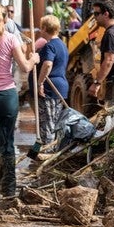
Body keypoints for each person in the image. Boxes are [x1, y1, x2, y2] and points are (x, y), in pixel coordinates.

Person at [0, 4, 40, 197]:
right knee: (7, 142)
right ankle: (8, 188)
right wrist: (34, 58)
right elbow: (25, 67)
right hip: (7, 96)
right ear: (6, 19)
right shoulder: (11, 39)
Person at [34, 15, 69, 145]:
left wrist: (40, 83)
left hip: (50, 87)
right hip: (61, 86)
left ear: (45, 28)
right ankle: (53, 148)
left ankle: (46, 150)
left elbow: (48, 64)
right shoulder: (62, 44)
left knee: (47, 123)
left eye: (40, 27)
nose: (39, 30)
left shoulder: (50, 46)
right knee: (55, 121)